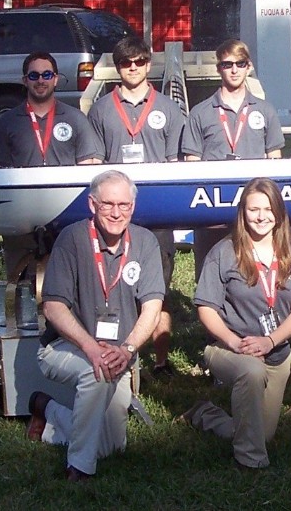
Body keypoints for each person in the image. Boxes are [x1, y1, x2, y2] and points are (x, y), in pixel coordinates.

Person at [26, 170, 164, 481]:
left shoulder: (145, 242)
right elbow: (53, 307)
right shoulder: (72, 239)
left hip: (120, 355)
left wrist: (127, 350)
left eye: (124, 205)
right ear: (92, 204)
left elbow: (153, 307)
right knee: (96, 372)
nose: (117, 213)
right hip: (65, 347)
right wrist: (90, 348)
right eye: (108, 204)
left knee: (112, 445)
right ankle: (79, 468)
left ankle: (48, 411)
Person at [179, 178, 291, 468]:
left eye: (268, 209)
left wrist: (270, 341)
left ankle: (206, 414)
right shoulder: (223, 252)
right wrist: (234, 342)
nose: (262, 216)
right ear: (243, 212)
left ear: (279, 212)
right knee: (251, 372)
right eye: (254, 209)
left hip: (276, 354)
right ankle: (251, 463)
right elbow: (206, 308)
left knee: (260, 433)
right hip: (228, 348)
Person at [86, 37, 184, 376]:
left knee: (158, 290)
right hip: (113, 217)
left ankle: (160, 360)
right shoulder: (100, 110)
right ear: (117, 66)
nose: (133, 68)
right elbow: (94, 164)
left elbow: (176, 165)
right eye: (126, 63)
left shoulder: (168, 109)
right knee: (110, 287)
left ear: (149, 64)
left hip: (157, 219)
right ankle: (114, 355)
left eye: (140, 62)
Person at [0, 52, 103, 281]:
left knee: (70, 279)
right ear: (25, 80)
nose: (40, 80)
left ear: (56, 79)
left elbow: (89, 170)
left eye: (46, 74)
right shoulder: (8, 121)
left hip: (67, 215)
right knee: (21, 284)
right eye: (34, 75)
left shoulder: (75, 118)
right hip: (21, 216)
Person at [182, 39, 285, 281]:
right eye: (227, 64)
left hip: (255, 209)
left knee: (255, 271)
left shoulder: (265, 110)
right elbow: (191, 162)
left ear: (249, 67)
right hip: (212, 207)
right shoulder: (201, 112)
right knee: (210, 272)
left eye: (240, 63)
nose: (234, 70)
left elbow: (275, 160)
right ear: (218, 68)